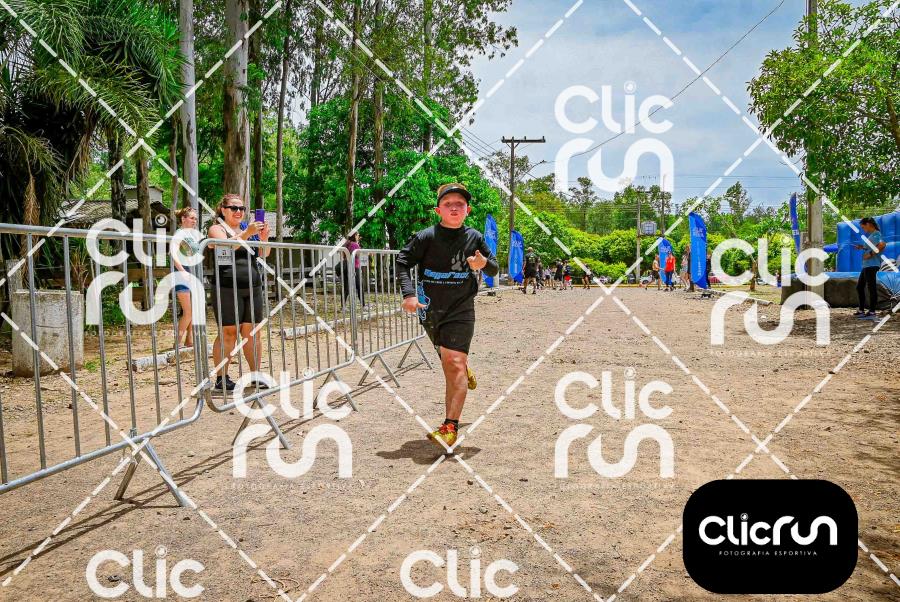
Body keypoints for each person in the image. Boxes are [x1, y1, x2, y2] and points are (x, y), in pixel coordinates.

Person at [397, 183, 499, 448]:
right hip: (430, 310)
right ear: (438, 210)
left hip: (461, 309)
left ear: (468, 210)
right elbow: (402, 262)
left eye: (460, 204)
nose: (454, 208)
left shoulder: (475, 238)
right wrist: (409, 294)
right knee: (451, 361)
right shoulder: (425, 237)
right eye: (448, 204)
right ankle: (464, 368)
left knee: (452, 363)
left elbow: (494, 268)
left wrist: (483, 264)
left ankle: (450, 427)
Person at [208, 194, 271, 392]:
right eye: (234, 208)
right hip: (226, 287)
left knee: (252, 333)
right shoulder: (217, 229)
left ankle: (255, 375)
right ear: (223, 210)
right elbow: (226, 246)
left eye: (242, 208)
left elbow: (264, 253)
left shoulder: (247, 229)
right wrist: (247, 233)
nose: (239, 212)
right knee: (229, 333)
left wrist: (264, 238)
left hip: (252, 286)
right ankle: (221, 378)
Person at [172, 207, 202, 348]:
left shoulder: (191, 235)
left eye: (195, 218)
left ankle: (189, 341)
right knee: (188, 312)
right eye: (191, 218)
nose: (194, 221)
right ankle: (177, 343)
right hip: (182, 274)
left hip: (192, 273)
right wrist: (183, 271)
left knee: (193, 311)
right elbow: (173, 254)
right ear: (183, 219)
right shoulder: (179, 233)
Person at [854, 217, 885, 319]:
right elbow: (871, 247)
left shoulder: (877, 234)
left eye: (863, 227)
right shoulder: (871, 235)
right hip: (866, 265)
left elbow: (882, 245)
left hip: (872, 265)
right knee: (859, 287)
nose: (863, 229)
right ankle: (861, 310)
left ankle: (872, 312)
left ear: (868, 224)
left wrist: (870, 254)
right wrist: (862, 247)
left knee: (871, 287)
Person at [343, 232, 366, 307]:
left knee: (346, 287)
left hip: (347, 267)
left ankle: (343, 306)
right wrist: (358, 244)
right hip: (355, 267)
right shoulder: (355, 244)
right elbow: (358, 255)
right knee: (360, 286)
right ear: (354, 236)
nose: (359, 236)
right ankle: (363, 305)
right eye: (358, 235)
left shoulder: (347, 244)